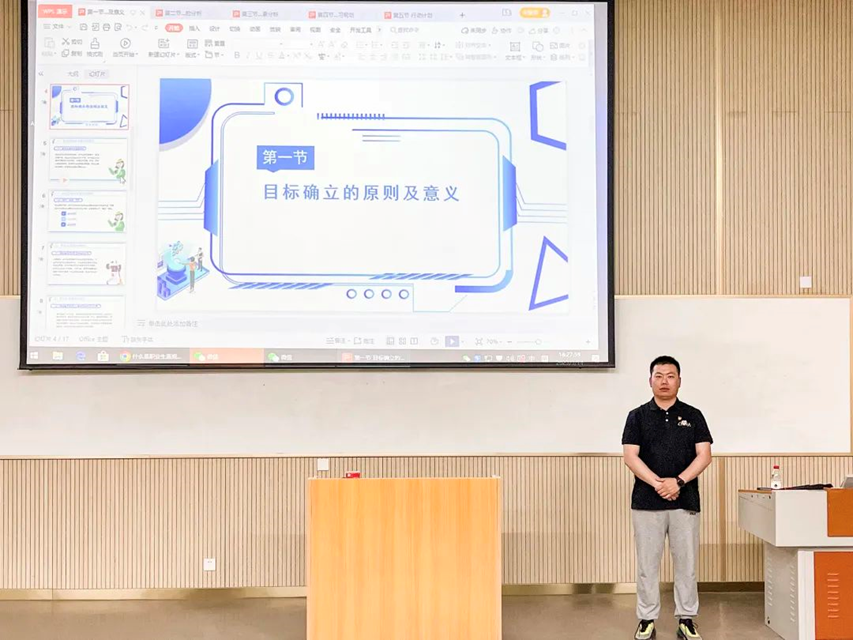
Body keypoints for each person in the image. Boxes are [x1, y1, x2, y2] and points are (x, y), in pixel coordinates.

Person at [622, 356, 713, 640]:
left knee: (686, 564)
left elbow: (704, 455)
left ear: (679, 381)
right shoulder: (637, 416)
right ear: (650, 380)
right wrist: (658, 484)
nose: (664, 381)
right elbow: (630, 456)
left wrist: (679, 482)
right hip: (646, 502)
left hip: (685, 501)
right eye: (658, 375)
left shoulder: (693, 415)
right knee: (647, 565)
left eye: (670, 376)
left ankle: (686, 618)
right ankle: (646, 619)